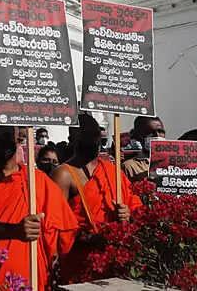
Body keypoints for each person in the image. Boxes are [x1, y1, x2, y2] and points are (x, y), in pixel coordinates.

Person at [0, 126, 77, 290]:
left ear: (19, 139)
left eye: (7, 136)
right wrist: (15, 231)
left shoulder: (36, 179)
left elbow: (57, 229)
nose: (2, 142)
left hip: (33, 268)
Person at [50, 114, 142, 284]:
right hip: (78, 261)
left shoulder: (113, 172)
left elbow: (136, 207)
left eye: (95, 136)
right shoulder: (63, 174)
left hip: (113, 259)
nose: (91, 142)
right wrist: (89, 239)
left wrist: (127, 214)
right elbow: (56, 227)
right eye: (85, 137)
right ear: (72, 139)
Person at [122, 116, 166, 182]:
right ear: (138, 136)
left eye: (160, 131)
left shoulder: (176, 162)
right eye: (150, 133)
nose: (157, 135)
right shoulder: (130, 167)